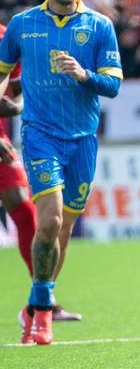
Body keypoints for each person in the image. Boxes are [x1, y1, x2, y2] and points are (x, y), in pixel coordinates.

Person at [0, 0, 122, 345]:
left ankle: (36, 304)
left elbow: (113, 85)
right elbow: (1, 74)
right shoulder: (22, 25)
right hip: (40, 136)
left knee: (64, 229)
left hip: (83, 140)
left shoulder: (99, 26)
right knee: (49, 221)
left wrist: (84, 74)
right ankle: (43, 312)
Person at [0, 28, 84, 338]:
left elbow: (18, 87)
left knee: (26, 213)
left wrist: (18, 105)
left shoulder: (6, 35)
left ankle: (43, 300)